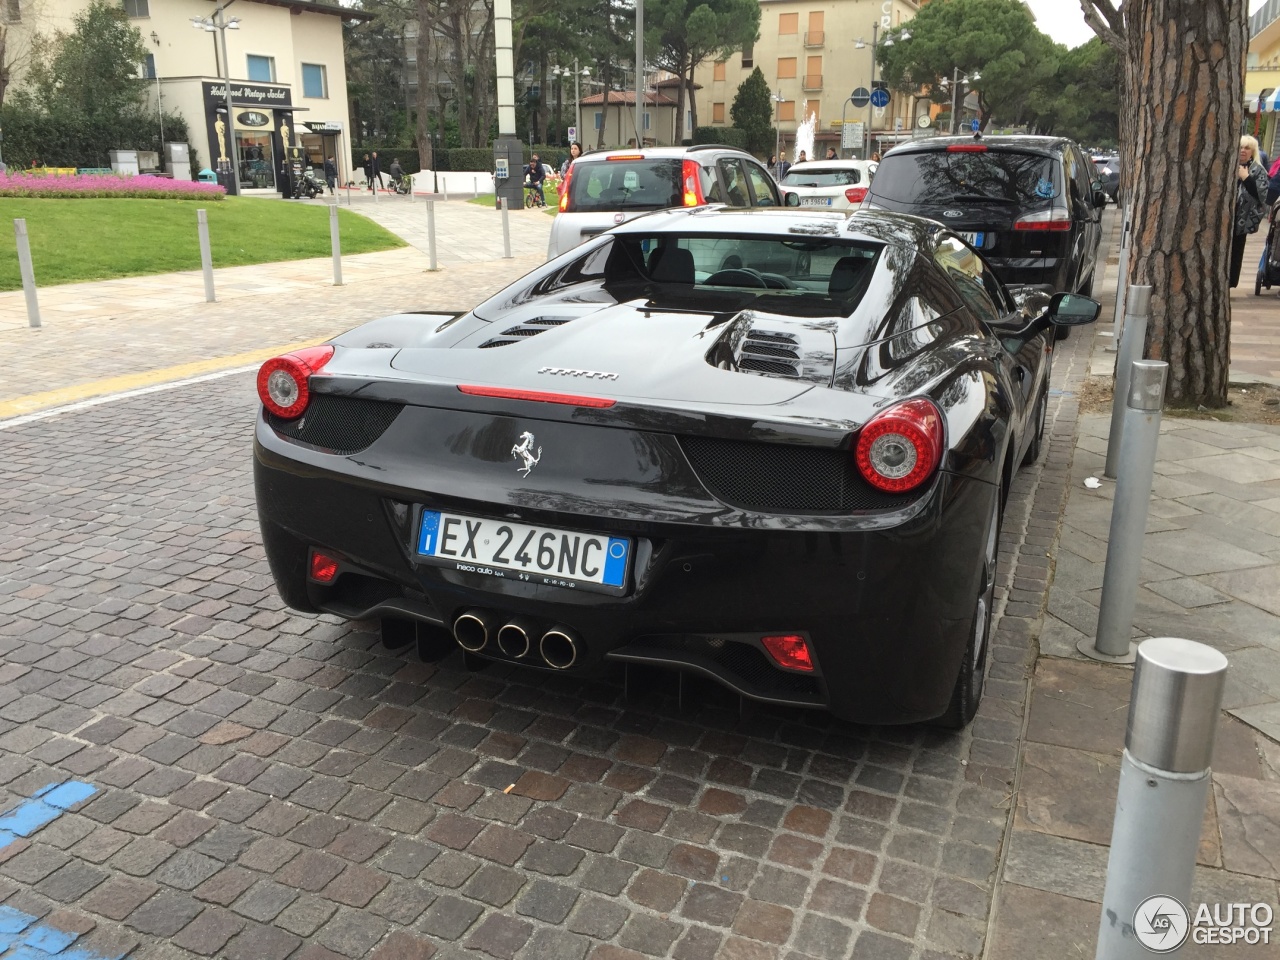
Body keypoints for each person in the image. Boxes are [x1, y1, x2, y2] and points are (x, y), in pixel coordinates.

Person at [1231, 135, 1270, 288]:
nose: (1243, 151)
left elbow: (1262, 195)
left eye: (1247, 148)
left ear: (1253, 151)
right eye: (1241, 147)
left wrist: (1246, 178)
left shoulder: (1258, 170)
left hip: (1243, 218)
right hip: (1226, 217)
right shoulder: (1228, 165)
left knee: (1236, 251)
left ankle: (1231, 283)